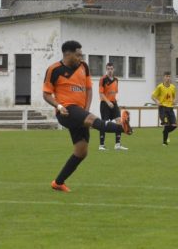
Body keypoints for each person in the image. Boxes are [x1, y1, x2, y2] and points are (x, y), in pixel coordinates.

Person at [43, 40, 132, 193]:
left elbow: (89, 89)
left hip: (80, 110)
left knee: (81, 152)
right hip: (66, 110)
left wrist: (86, 109)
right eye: (78, 55)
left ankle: (58, 182)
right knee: (92, 120)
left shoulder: (83, 66)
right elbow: (46, 94)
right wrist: (59, 106)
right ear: (68, 54)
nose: (81, 57)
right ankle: (121, 127)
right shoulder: (54, 69)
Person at [98, 62, 127, 151]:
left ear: (113, 69)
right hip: (105, 104)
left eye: (111, 69)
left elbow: (114, 92)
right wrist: (108, 102)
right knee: (104, 124)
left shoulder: (116, 80)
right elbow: (101, 94)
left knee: (119, 121)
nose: (110, 70)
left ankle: (117, 144)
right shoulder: (103, 79)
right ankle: (101, 145)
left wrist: (114, 101)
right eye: (108, 69)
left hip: (114, 103)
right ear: (106, 70)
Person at [151, 72, 177, 146]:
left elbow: (175, 97)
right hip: (163, 108)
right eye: (166, 76)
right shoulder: (160, 87)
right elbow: (153, 96)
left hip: (170, 108)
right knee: (166, 123)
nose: (168, 78)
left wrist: (174, 101)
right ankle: (164, 142)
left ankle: (165, 132)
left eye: (169, 76)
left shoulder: (173, 87)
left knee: (174, 125)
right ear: (164, 77)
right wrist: (157, 102)